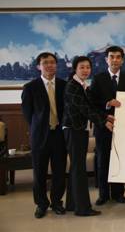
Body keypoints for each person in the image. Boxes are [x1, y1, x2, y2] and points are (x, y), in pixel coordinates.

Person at [63, 56, 114, 216]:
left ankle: (72, 204)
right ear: (75, 69)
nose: (85, 70)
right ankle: (83, 208)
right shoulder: (72, 86)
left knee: (76, 167)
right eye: (82, 67)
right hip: (74, 130)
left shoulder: (83, 85)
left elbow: (92, 105)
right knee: (79, 168)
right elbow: (85, 109)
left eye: (88, 67)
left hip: (80, 130)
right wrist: (103, 122)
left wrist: (106, 116)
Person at [21, 52, 67, 218]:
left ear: (56, 65)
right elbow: (28, 114)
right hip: (40, 136)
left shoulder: (64, 85)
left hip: (60, 136)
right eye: (45, 62)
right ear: (38, 66)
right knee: (39, 173)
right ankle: (41, 204)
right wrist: (40, 127)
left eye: (52, 62)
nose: (49, 65)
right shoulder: (30, 87)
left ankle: (56, 202)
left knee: (59, 172)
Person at [90, 46, 125, 206]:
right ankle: (103, 194)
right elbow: (92, 103)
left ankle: (118, 193)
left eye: (118, 57)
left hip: (123, 129)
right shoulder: (98, 78)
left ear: (122, 60)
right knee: (102, 161)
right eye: (112, 57)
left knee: (119, 160)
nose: (115, 60)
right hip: (103, 126)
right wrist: (107, 103)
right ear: (106, 59)